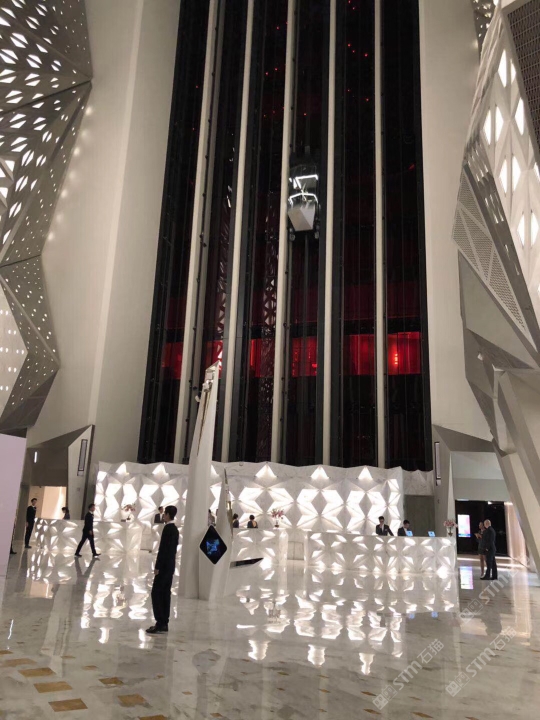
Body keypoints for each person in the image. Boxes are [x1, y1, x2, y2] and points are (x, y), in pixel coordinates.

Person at [147, 505, 179, 634]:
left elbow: (163, 550)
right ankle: (164, 622)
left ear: (168, 515)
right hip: (170, 565)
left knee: (156, 593)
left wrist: (157, 566)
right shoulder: (175, 530)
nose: (163, 516)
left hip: (164, 566)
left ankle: (160, 621)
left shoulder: (167, 529)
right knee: (165, 593)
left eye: (165, 514)